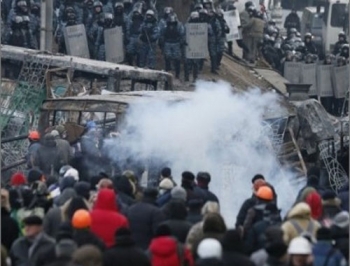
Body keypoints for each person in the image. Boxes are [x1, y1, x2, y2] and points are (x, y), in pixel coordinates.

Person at [159, 14, 184, 79]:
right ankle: (167, 72)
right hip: (167, 43)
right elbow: (162, 34)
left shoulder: (179, 26)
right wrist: (162, 42)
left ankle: (177, 74)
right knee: (167, 58)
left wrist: (181, 42)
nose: (171, 24)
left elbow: (182, 34)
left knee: (177, 59)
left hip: (176, 43)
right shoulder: (165, 26)